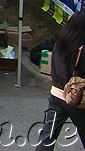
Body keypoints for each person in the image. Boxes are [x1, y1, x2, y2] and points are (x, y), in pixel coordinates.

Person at [35, 11, 85, 149]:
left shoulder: (60, 43)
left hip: (56, 94)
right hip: (77, 98)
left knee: (47, 137)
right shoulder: (81, 49)